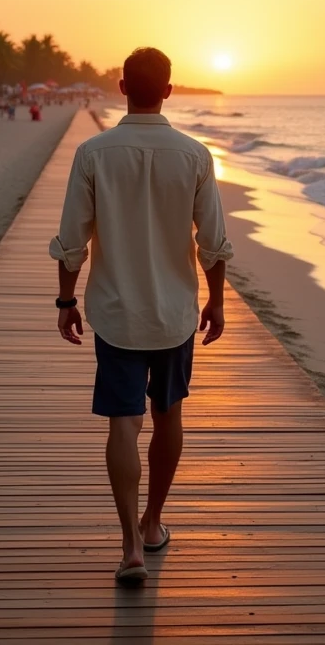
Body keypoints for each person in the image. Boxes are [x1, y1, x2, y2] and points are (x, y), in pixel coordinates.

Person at [50, 47, 233, 584]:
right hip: (173, 312)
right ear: (169, 91)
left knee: (123, 424)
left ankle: (130, 544)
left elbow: (70, 241)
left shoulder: (93, 153)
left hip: (116, 312)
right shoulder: (196, 155)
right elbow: (215, 243)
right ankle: (154, 524)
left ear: (121, 86)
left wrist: (65, 302)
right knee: (168, 415)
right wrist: (216, 301)